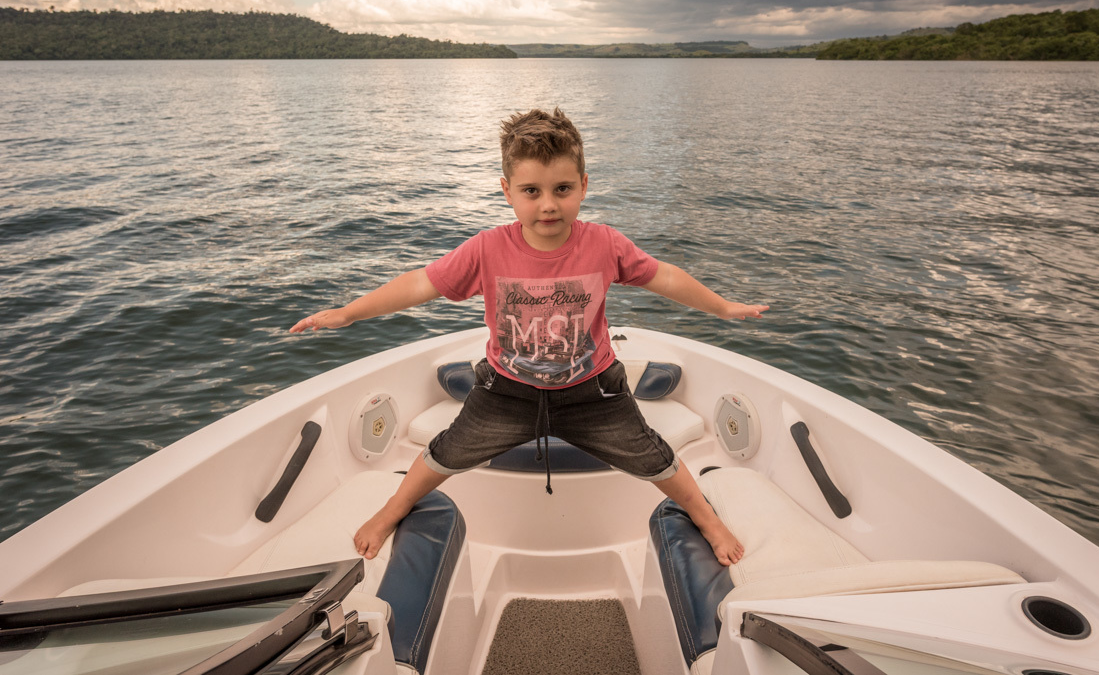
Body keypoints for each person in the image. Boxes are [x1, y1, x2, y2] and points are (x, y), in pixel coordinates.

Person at [290, 108, 768, 567]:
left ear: (584, 185)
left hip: (593, 391)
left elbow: (664, 277)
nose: (548, 204)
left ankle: (707, 519)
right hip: (507, 392)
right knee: (446, 452)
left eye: (562, 188)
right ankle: (391, 511)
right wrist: (349, 313)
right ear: (507, 191)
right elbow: (420, 284)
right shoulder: (487, 249)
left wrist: (723, 306)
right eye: (531, 191)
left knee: (653, 457)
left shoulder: (604, 243)